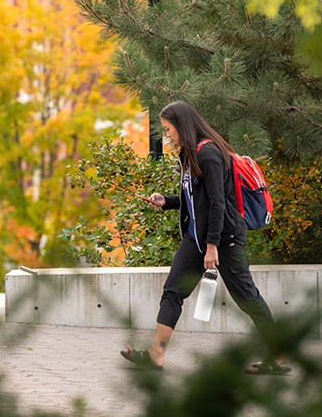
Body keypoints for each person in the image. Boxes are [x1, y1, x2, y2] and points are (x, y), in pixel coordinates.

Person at [120, 100, 290, 374]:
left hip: (224, 237)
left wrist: (213, 246)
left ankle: (279, 353)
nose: (167, 136)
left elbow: (218, 204)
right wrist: (168, 201)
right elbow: (195, 199)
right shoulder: (189, 155)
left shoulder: (208, 153)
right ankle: (156, 354)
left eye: (168, 129)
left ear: (182, 125)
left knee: (247, 296)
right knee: (173, 290)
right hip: (198, 237)